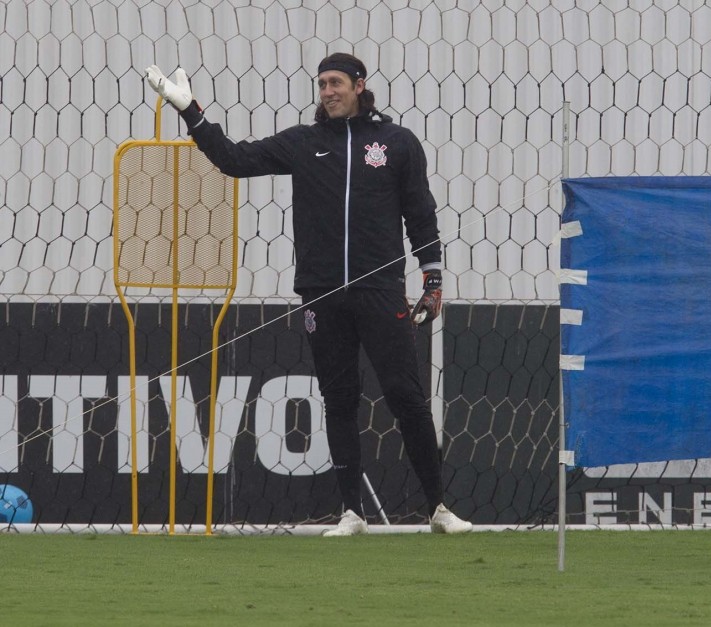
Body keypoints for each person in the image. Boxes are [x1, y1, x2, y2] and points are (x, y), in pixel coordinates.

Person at [145, 53, 471, 536]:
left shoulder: (396, 142)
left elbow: (420, 212)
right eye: (321, 85)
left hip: (381, 290)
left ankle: (438, 509)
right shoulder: (303, 142)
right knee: (338, 399)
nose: (328, 92)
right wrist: (190, 110)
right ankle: (352, 513)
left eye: (336, 83)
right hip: (321, 293)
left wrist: (432, 277)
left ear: (360, 85)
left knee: (406, 396)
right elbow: (234, 160)